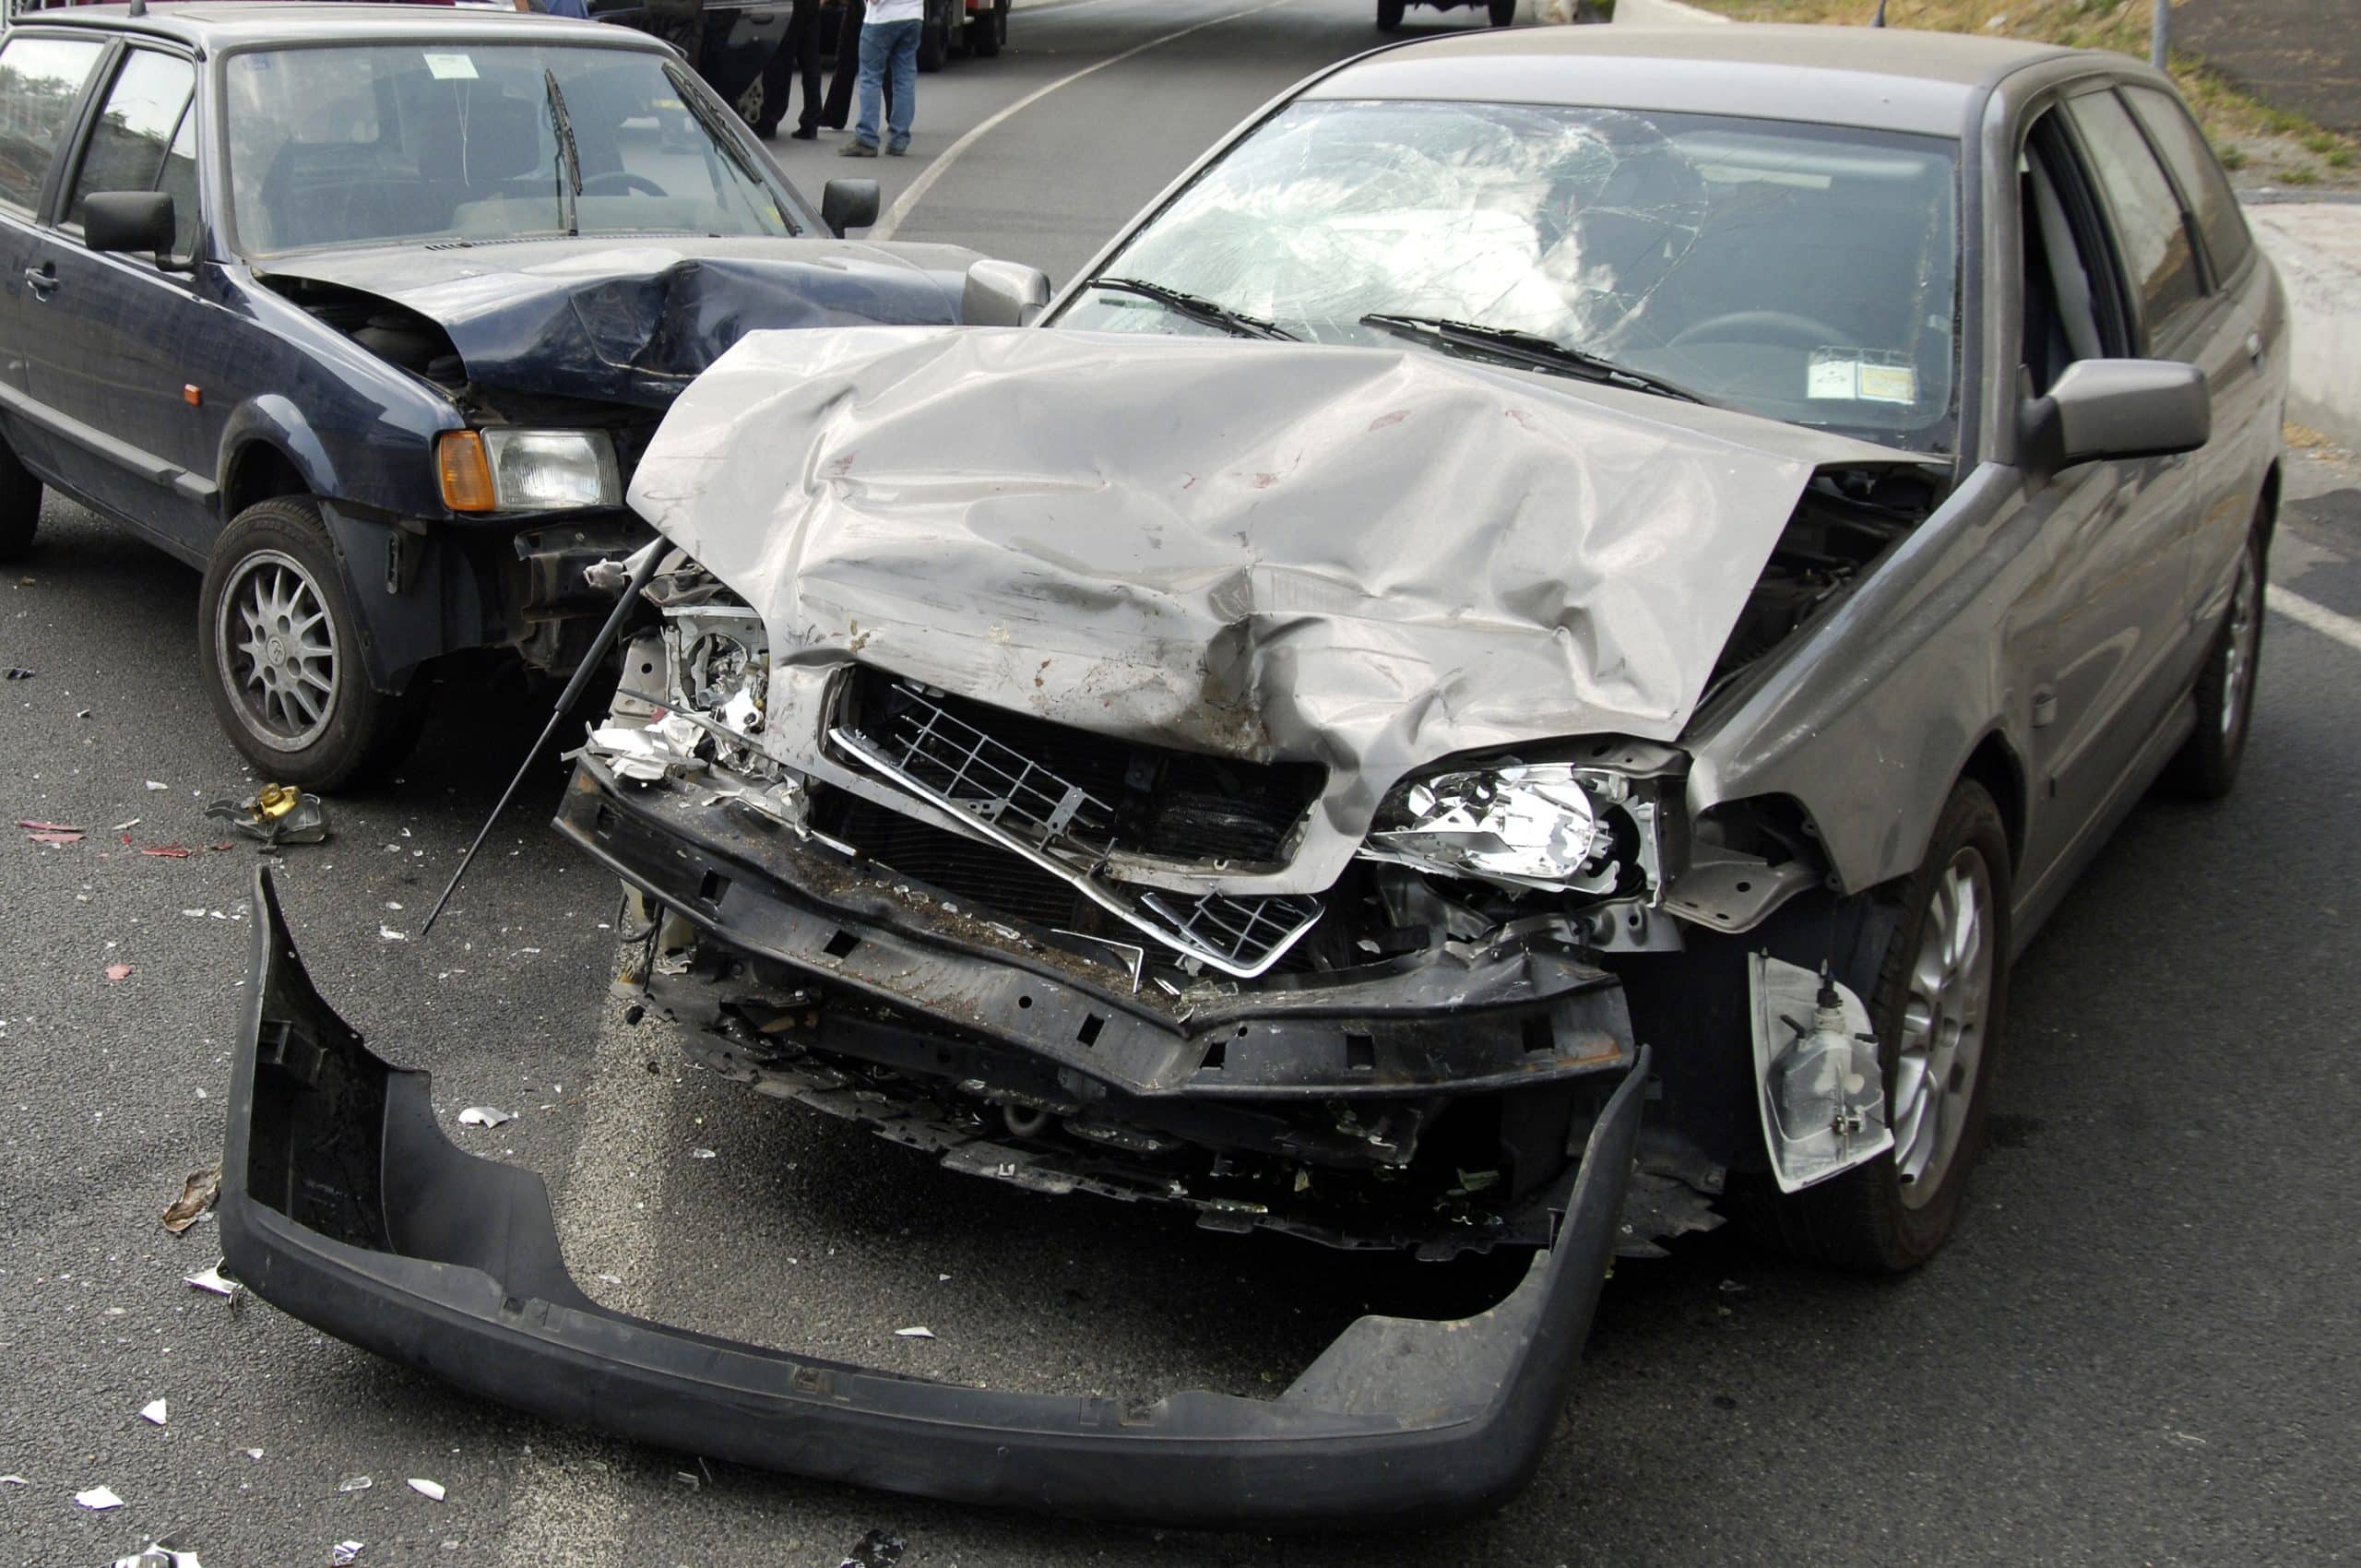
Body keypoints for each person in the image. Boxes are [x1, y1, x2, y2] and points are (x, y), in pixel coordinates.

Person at [839, 0, 920, 158]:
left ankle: (867, 139)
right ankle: (899, 140)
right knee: (904, 79)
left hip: (882, 19)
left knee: (870, 77)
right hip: (914, 16)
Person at [753, 0, 832, 140]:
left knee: (780, 63)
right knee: (811, 64)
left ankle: (771, 119)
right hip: (810, 6)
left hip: (791, 7)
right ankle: (811, 120)